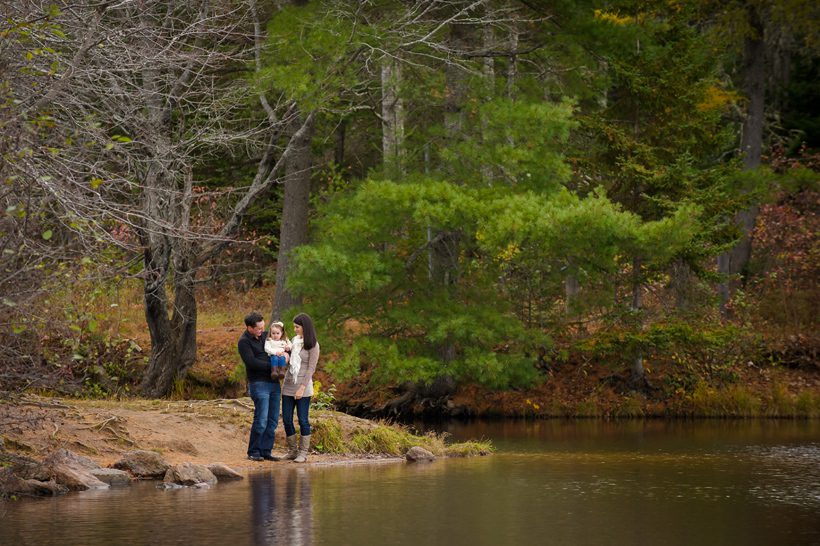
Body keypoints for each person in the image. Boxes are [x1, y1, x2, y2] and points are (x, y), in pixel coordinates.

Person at [237, 311, 282, 462]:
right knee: (261, 419)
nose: (262, 330)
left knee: (273, 419)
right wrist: (272, 365)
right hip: (258, 383)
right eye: (258, 328)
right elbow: (252, 363)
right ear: (249, 328)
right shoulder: (244, 342)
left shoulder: (266, 336)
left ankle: (266, 450)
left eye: (263, 327)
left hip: (274, 383)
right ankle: (254, 451)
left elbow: (280, 346)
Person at [281, 312, 320, 463]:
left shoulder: (313, 345)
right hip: (289, 384)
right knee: (286, 419)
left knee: (303, 419)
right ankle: (292, 450)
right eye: (294, 327)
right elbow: (290, 362)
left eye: (297, 327)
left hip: (303, 387)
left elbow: (311, 368)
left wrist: (302, 388)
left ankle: (303, 453)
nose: (295, 329)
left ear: (305, 327)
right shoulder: (293, 341)